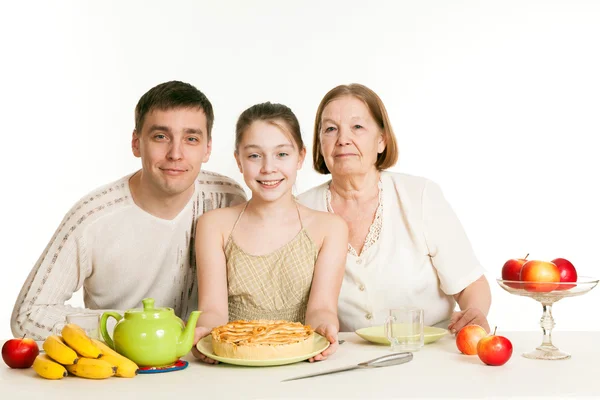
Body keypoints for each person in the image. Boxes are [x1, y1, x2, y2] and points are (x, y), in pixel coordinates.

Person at [11, 81, 246, 340]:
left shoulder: (227, 198)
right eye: (160, 137)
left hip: (203, 366)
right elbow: (28, 315)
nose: (175, 153)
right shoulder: (93, 218)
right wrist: (128, 327)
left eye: (191, 139)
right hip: (118, 367)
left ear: (207, 148)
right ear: (136, 143)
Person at [297, 83, 492, 334]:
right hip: (341, 358)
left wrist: (474, 313)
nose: (343, 140)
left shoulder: (420, 196)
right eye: (331, 129)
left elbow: (470, 284)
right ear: (319, 144)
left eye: (357, 127)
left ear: (381, 141)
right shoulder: (300, 210)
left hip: (426, 354)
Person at [192, 102, 348, 363]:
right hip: (235, 361)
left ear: (300, 157)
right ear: (238, 161)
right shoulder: (214, 226)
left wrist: (325, 327)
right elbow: (212, 309)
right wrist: (205, 333)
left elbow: (322, 308)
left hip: (301, 360)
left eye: (282, 155)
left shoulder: (330, 228)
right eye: (254, 156)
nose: (268, 168)